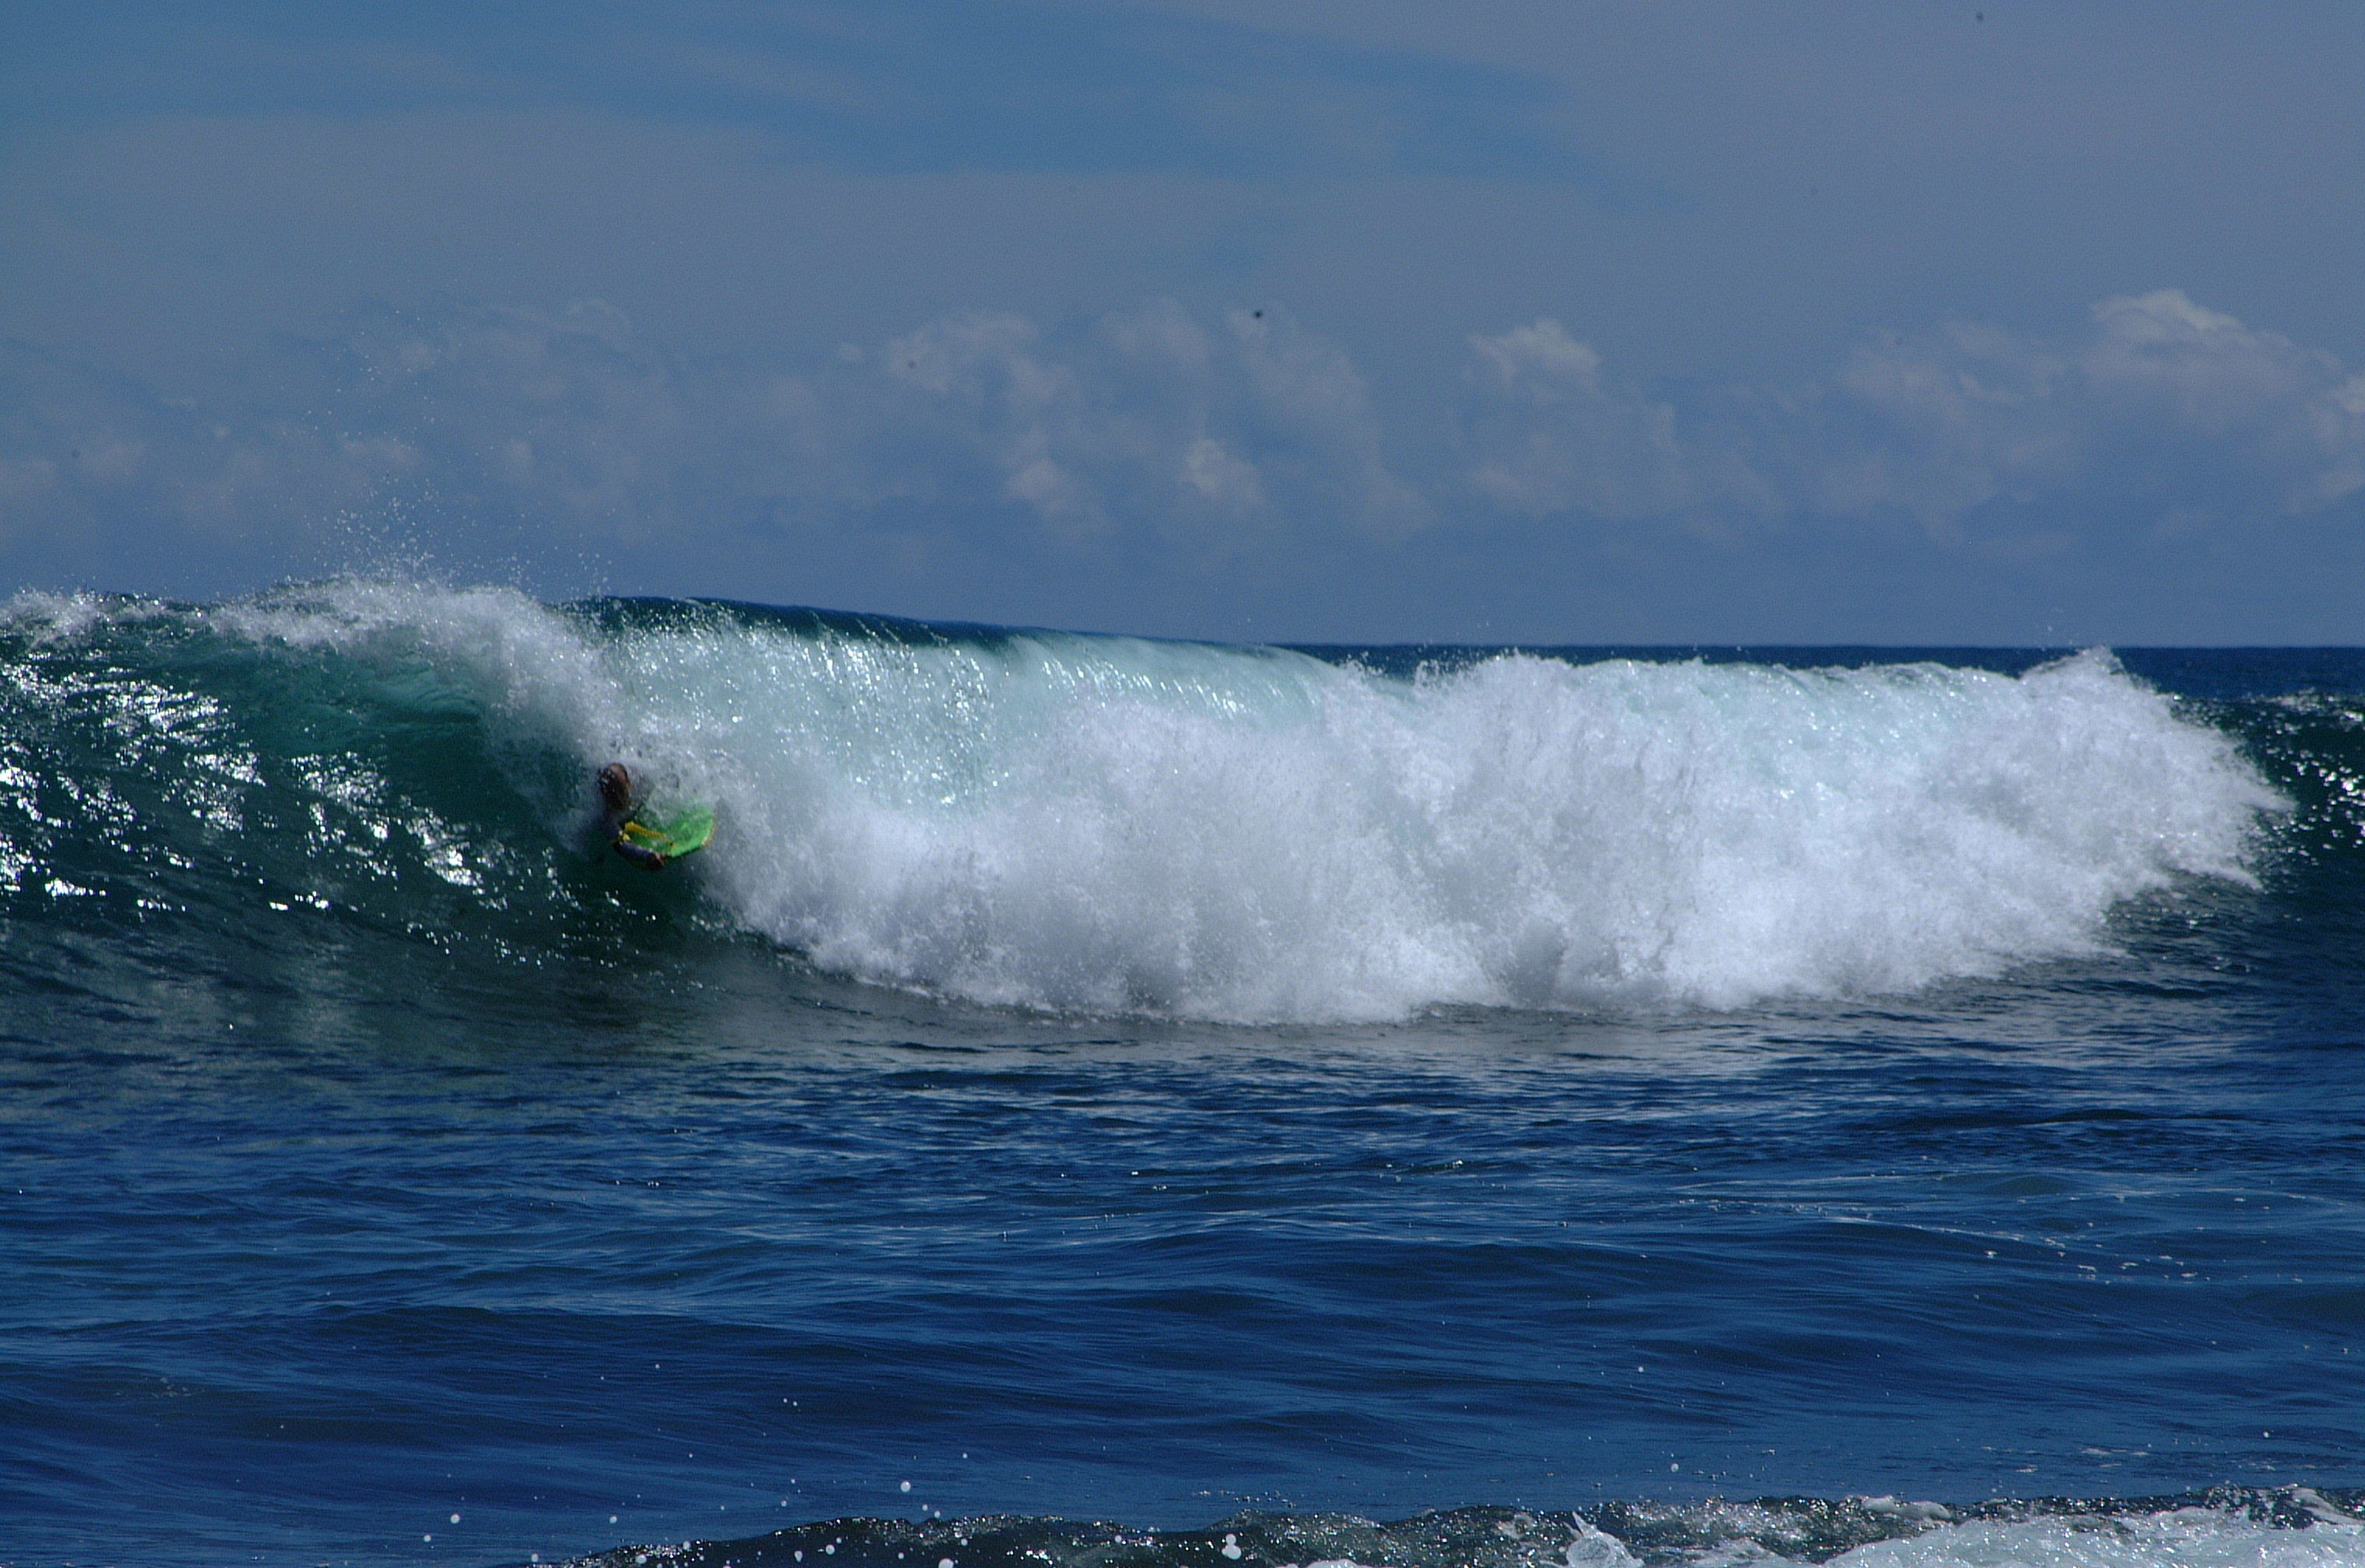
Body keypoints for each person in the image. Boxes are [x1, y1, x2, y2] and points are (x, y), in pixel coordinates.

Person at [597, 761, 667, 870]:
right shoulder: (606, 816)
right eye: (612, 795)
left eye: (621, 792)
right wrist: (648, 855)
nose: (618, 800)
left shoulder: (644, 783)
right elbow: (621, 846)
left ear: (629, 784)